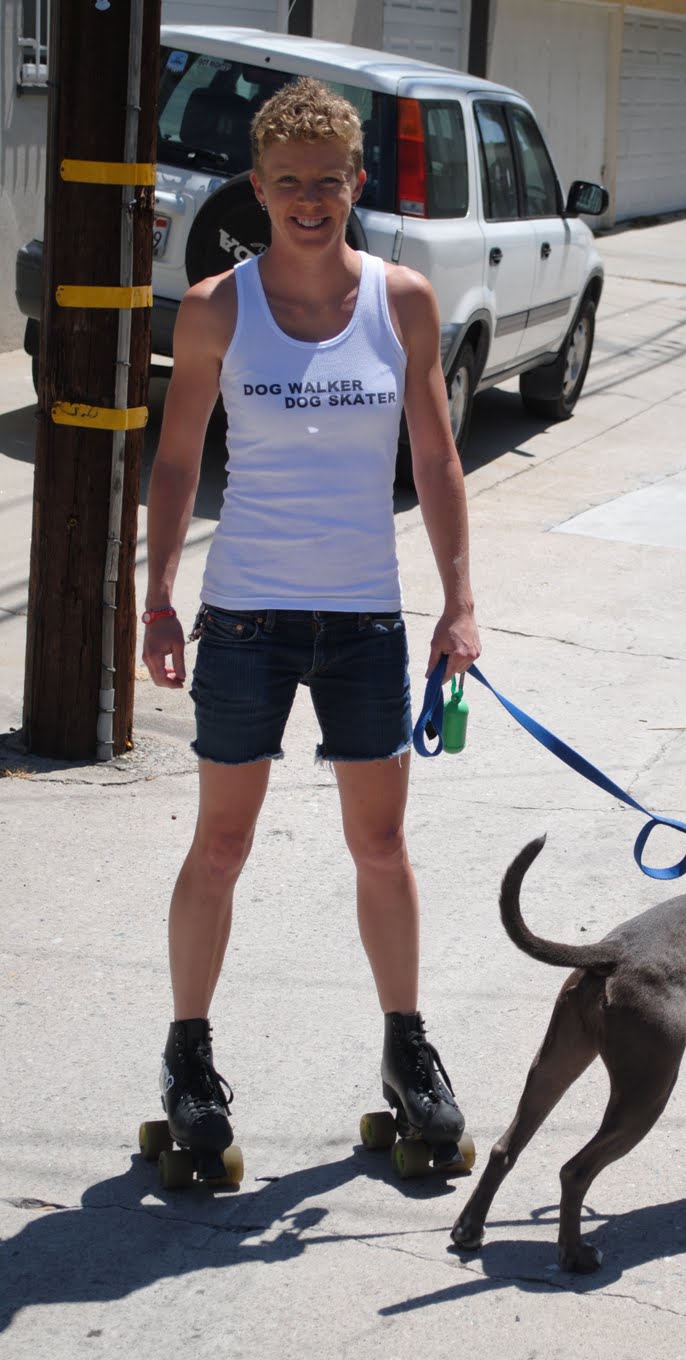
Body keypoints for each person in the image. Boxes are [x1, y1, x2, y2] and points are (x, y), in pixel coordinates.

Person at [141, 77, 480, 1169]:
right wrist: (155, 594)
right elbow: (180, 460)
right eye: (287, 183)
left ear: (355, 181)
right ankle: (188, 1058)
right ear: (257, 185)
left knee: (380, 844)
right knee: (224, 842)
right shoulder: (214, 309)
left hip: (365, 622)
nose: (308, 201)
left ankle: (406, 1050)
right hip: (242, 618)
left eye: (327, 182)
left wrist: (459, 602)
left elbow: (434, 458)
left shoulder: (404, 303)